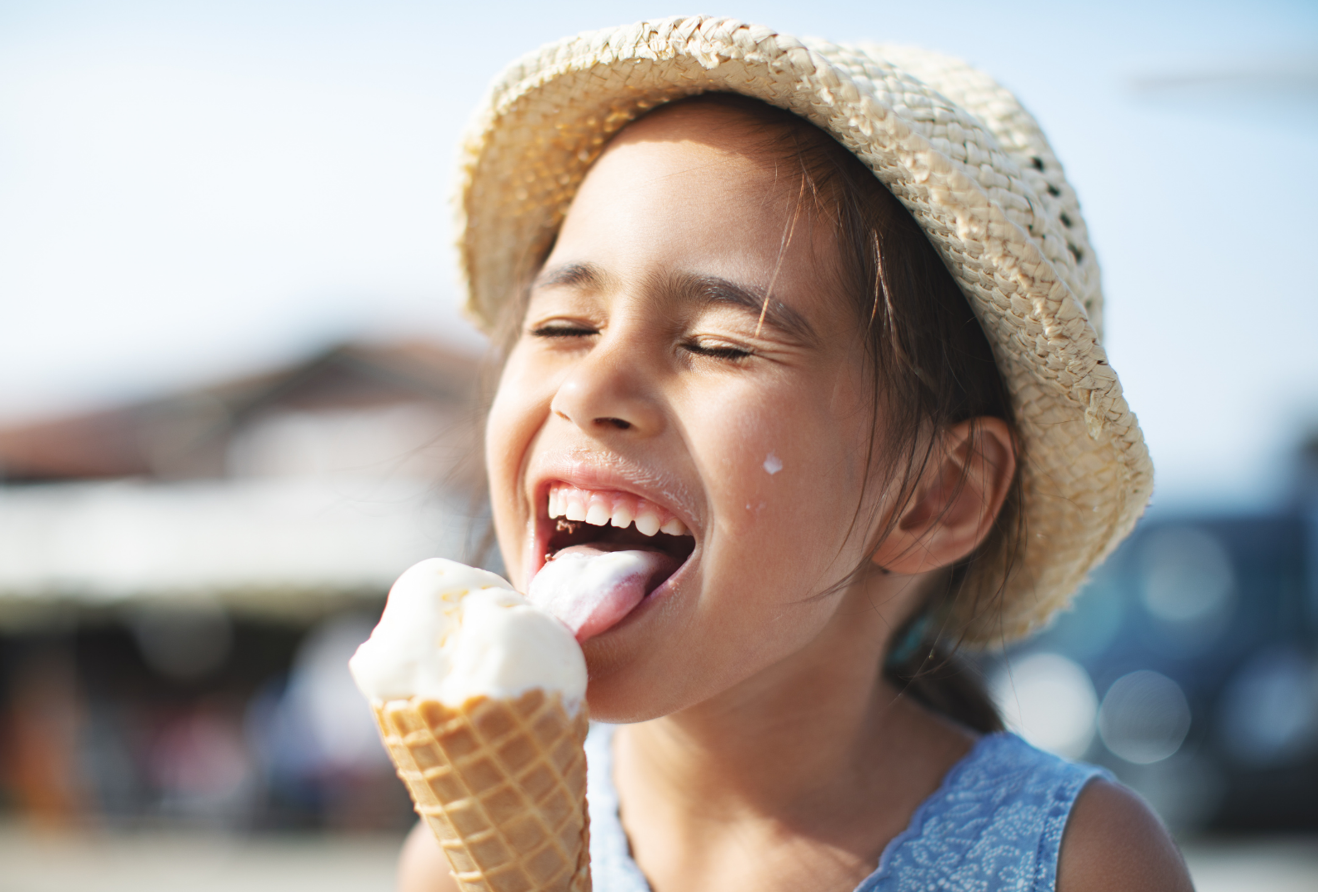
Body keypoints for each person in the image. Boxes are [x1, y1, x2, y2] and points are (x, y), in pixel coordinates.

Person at [402, 16, 1191, 892]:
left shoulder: (1083, 862)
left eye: (719, 345)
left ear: (937, 494)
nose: (589, 389)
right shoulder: (452, 861)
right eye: (563, 327)